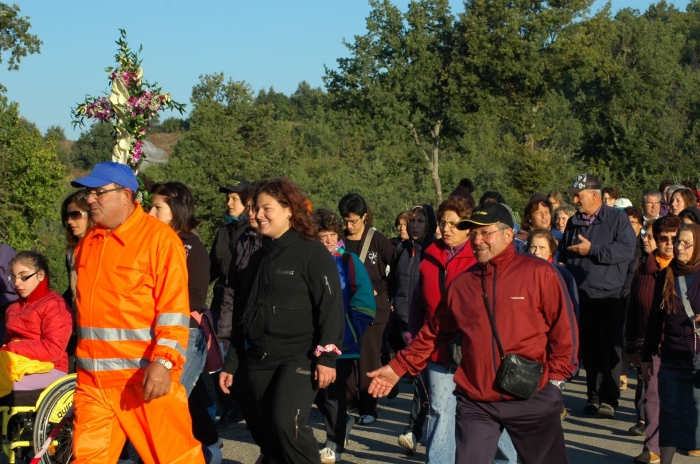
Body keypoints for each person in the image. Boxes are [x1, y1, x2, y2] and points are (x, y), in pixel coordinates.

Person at [367, 202, 578, 464]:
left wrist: (556, 385)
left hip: (532, 395)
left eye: (485, 233)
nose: (477, 240)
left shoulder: (539, 273)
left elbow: (564, 330)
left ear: (508, 235)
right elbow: (435, 332)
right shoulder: (463, 284)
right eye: (473, 233)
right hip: (476, 402)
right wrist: (398, 367)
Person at [70, 161, 203, 464]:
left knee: (174, 458)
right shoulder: (88, 243)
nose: (90, 200)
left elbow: (174, 311)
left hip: (143, 379)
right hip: (93, 384)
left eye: (99, 193)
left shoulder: (159, 240)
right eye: (89, 193)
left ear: (126, 195)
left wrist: (163, 363)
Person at [219, 178, 344, 464]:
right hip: (259, 358)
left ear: (289, 210)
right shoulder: (258, 258)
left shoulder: (312, 253)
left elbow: (331, 307)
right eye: (255, 208)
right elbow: (243, 314)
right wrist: (233, 362)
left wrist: (327, 356)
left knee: (286, 424)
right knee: (268, 433)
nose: (259, 215)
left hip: (299, 357)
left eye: (267, 208)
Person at [148, 182, 221, 463]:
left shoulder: (193, 248)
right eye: (151, 205)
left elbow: (195, 297)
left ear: (177, 210)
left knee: (167, 401)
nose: (150, 212)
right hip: (151, 332)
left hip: (185, 334)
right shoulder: (149, 243)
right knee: (180, 398)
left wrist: (154, 304)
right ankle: (207, 445)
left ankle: (199, 452)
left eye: (158, 207)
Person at [404, 196, 477, 463]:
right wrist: (413, 334)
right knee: (439, 411)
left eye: (454, 224)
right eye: (443, 222)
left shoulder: (478, 257)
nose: (446, 228)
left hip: (473, 353)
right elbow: (417, 303)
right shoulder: (429, 256)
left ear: (468, 228)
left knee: (481, 415)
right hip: (435, 349)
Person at [559, 174, 636, 419]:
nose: (576, 200)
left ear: (594, 195)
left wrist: (592, 250)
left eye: (579, 196)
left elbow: (626, 249)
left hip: (611, 296)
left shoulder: (617, 218)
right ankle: (592, 397)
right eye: (574, 196)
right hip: (583, 296)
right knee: (590, 350)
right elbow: (564, 253)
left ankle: (609, 400)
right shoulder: (573, 222)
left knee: (610, 349)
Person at [311, 208, 376, 464]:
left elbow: (365, 299)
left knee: (334, 393)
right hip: (314, 342)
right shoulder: (310, 261)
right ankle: (343, 423)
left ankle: (334, 443)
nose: (328, 240)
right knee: (318, 392)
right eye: (322, 235)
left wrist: (353, 327)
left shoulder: (349, 261)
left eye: (332, 234)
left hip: (344, 341)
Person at [642, 223, 700, 464]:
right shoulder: (667, 275)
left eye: (687, 243)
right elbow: (655, 319)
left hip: (698, 358)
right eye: (678, 242)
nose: (680, 247)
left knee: (697, 417)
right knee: (669, 413)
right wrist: (646, 355)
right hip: (672, 357)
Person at [626, 216, 681, 464]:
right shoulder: (643, 271)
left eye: (675, 238)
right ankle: (653, 448)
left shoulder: (693, 269)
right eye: (664, 238)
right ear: (655, 240)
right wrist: (631, 346)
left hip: (686, 346)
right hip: (654, 346)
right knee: (652, 398)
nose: (670, 243)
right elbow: (634, 311)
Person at [338, 193, 395, 425]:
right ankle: (349, 402)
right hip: (346, 309)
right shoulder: (339, 240)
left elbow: (398, 270)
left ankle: (369, 408)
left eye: (353, 221)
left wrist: (380, 290)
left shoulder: (378, 240)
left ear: (364, 217)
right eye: (345, 220)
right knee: (347, 356)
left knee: (368, 360)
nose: (349, 226)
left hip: (374, 311)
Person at [389, 204, 436, 455]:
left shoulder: (434, 251)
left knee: (422, 383)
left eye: (420, 220)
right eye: (412, 221)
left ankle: (413, 432)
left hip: (426, 327)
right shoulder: (401, 249)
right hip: (402, 324)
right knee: (420, 381)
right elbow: (392, 283)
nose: (414, 225)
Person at [2, 251, 73, 395]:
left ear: (40, 275)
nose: (16, 283)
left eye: (23, 277)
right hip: (19, 365)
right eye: (14, 277)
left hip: (50, 368)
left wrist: (11, 348)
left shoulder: (55, 305)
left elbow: (53, 349)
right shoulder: (13, 308)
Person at [209, 180, 252, 330]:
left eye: (234, 199)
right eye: (228, 198)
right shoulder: (223, 231)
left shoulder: (254, 233)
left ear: (248, 203)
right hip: (219, 303)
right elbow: (211, 268)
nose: (229, 203)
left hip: (241, 305)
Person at [61, 191, 93, 309]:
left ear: (91, 214)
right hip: (79, 319)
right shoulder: (71, 251)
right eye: (67, 216)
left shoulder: (104, 247)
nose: (69, 221)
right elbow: (72, 288)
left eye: (75, 214)